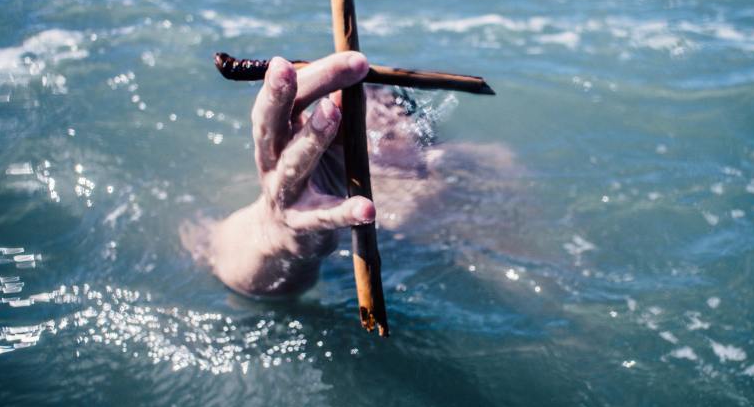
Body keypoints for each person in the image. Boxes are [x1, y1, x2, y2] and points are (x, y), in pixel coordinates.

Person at [186, 51, 516, 298]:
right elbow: (214, 251)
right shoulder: (313, 184)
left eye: (397, 107)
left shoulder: (475, 171)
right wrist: (277, 232)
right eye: (370, 115)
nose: (390, 115)